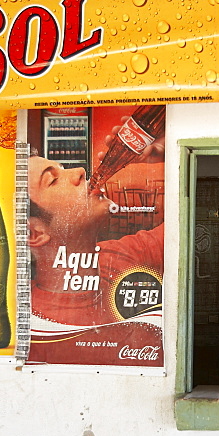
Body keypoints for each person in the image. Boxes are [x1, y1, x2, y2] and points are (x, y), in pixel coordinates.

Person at [26, 154, 164, 364]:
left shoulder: (117, 255)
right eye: (53, 180)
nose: (80, 171)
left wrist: (167, 155)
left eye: (62, 167)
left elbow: (184, 226)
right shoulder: (30, 323)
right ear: (34, 234)